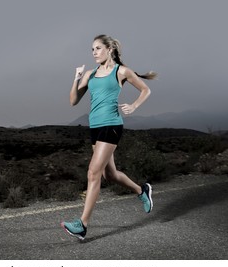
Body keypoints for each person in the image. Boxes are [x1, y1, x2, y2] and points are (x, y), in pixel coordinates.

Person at [61, 34, 157, 241]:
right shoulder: (90, 73)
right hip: (95, 127)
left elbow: (145, 89)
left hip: (111, 126)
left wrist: (134, 105)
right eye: (92, 49)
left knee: (93, 173)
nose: (94, 52)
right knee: (109, 175)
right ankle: (142, 190)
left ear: (109, 49)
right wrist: (76, 78)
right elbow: (73, 101)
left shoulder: (120, 71)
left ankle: (82, 225)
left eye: (97, 48)